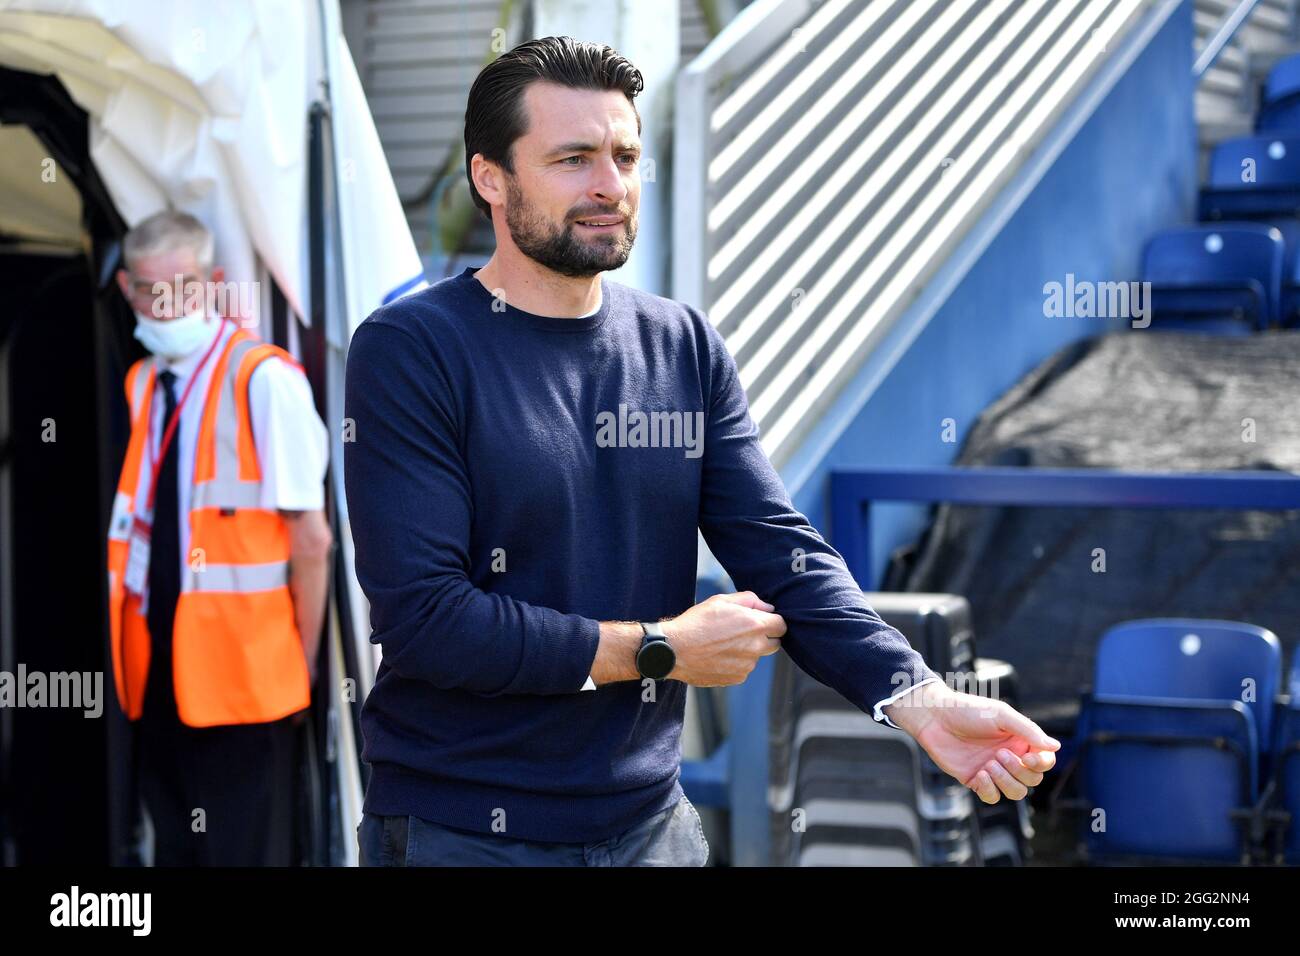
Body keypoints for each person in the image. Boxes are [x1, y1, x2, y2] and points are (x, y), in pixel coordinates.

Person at [344, 36, 1059, 868]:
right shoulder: (413, 349)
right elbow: (428, 619)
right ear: (490, 179)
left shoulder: (680, 344)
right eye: (572, 159)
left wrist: (920, 698)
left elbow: (780, 552)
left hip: (652, 826)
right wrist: (661, 648)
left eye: (624, 155)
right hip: (463, 832)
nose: (609, 185)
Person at [107, 210, 333, 865]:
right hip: (156, 674)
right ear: (127, 290)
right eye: (151, 289)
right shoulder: (144, 382)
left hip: (249, 686)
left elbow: (310, 542)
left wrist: (306, 665)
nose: (168, 303)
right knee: (176, 851)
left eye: (182, 285)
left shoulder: (264, 380)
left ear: (213, 283)